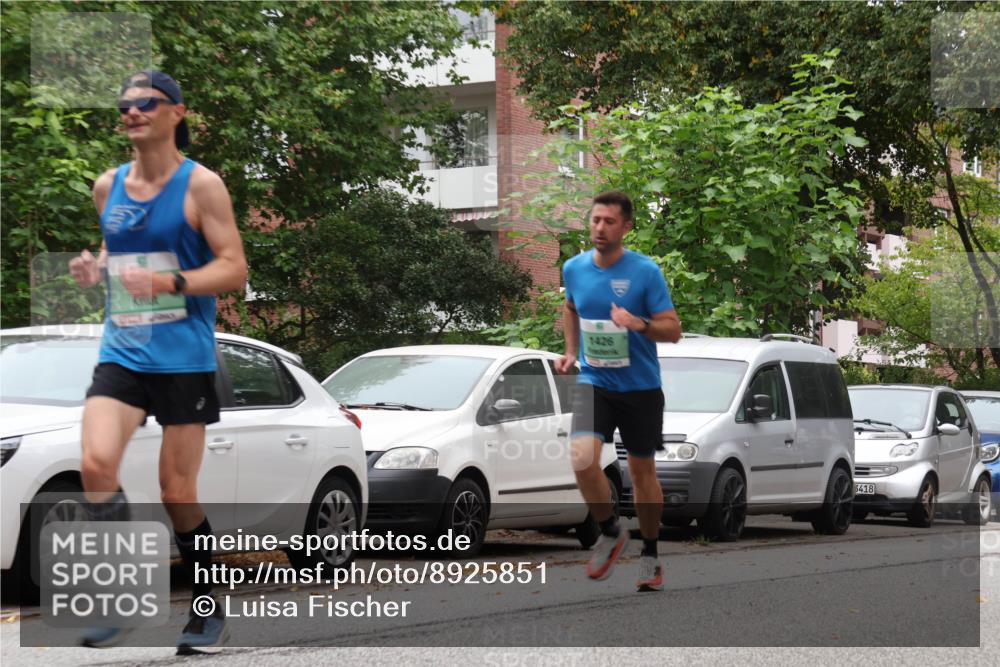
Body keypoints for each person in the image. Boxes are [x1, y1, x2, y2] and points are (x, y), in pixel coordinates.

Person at [68, 70, 247, 653]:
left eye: (146, 102)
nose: (133, 110)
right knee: (95, 463)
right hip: (122, 349)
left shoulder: (203, 187)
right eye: (125, 104)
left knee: (177, 493)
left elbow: (233, 269)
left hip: (183, 357)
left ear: (176, 112)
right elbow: (116, 249)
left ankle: (207, 608)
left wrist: (168, 280)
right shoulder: (106, 186)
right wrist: (95, 266)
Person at [555, 190, 681, 592]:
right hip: (596, 380)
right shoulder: (574, 268)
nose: (600, 228)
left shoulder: (645, 272)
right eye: (595, 220)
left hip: (641, 387)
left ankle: (651, 555)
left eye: (609, 222)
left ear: (626, 226)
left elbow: (673, 330)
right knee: (581, 457)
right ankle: (610, 530)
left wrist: (638, 323)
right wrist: (571, 351)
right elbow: (571, 307)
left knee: (643, 473)